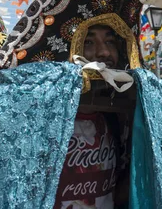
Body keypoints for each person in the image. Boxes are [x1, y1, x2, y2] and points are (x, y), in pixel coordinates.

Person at [53, 24, 129, 209]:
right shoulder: (42, 120)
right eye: (88, 41)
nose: (103, 52)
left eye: (110, 42)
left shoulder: (123, 116)